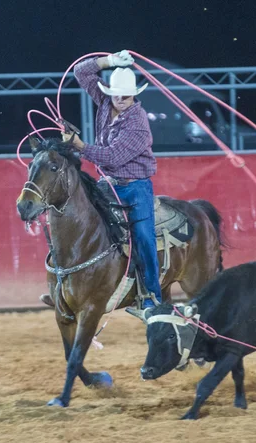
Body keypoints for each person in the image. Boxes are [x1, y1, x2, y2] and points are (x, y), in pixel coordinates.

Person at [62, 50, 161, 309]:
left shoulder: (137, 123)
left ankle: (152, 295)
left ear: (134, 95)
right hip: (109, 184)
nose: (120, 98)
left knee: (144, 237)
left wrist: (80, 146)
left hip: (134, 187)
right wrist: (110, 61)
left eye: (125, 95)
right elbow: (80, 71)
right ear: (110, 92)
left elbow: (113, 157)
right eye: (116, 93)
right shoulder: (107, 103)